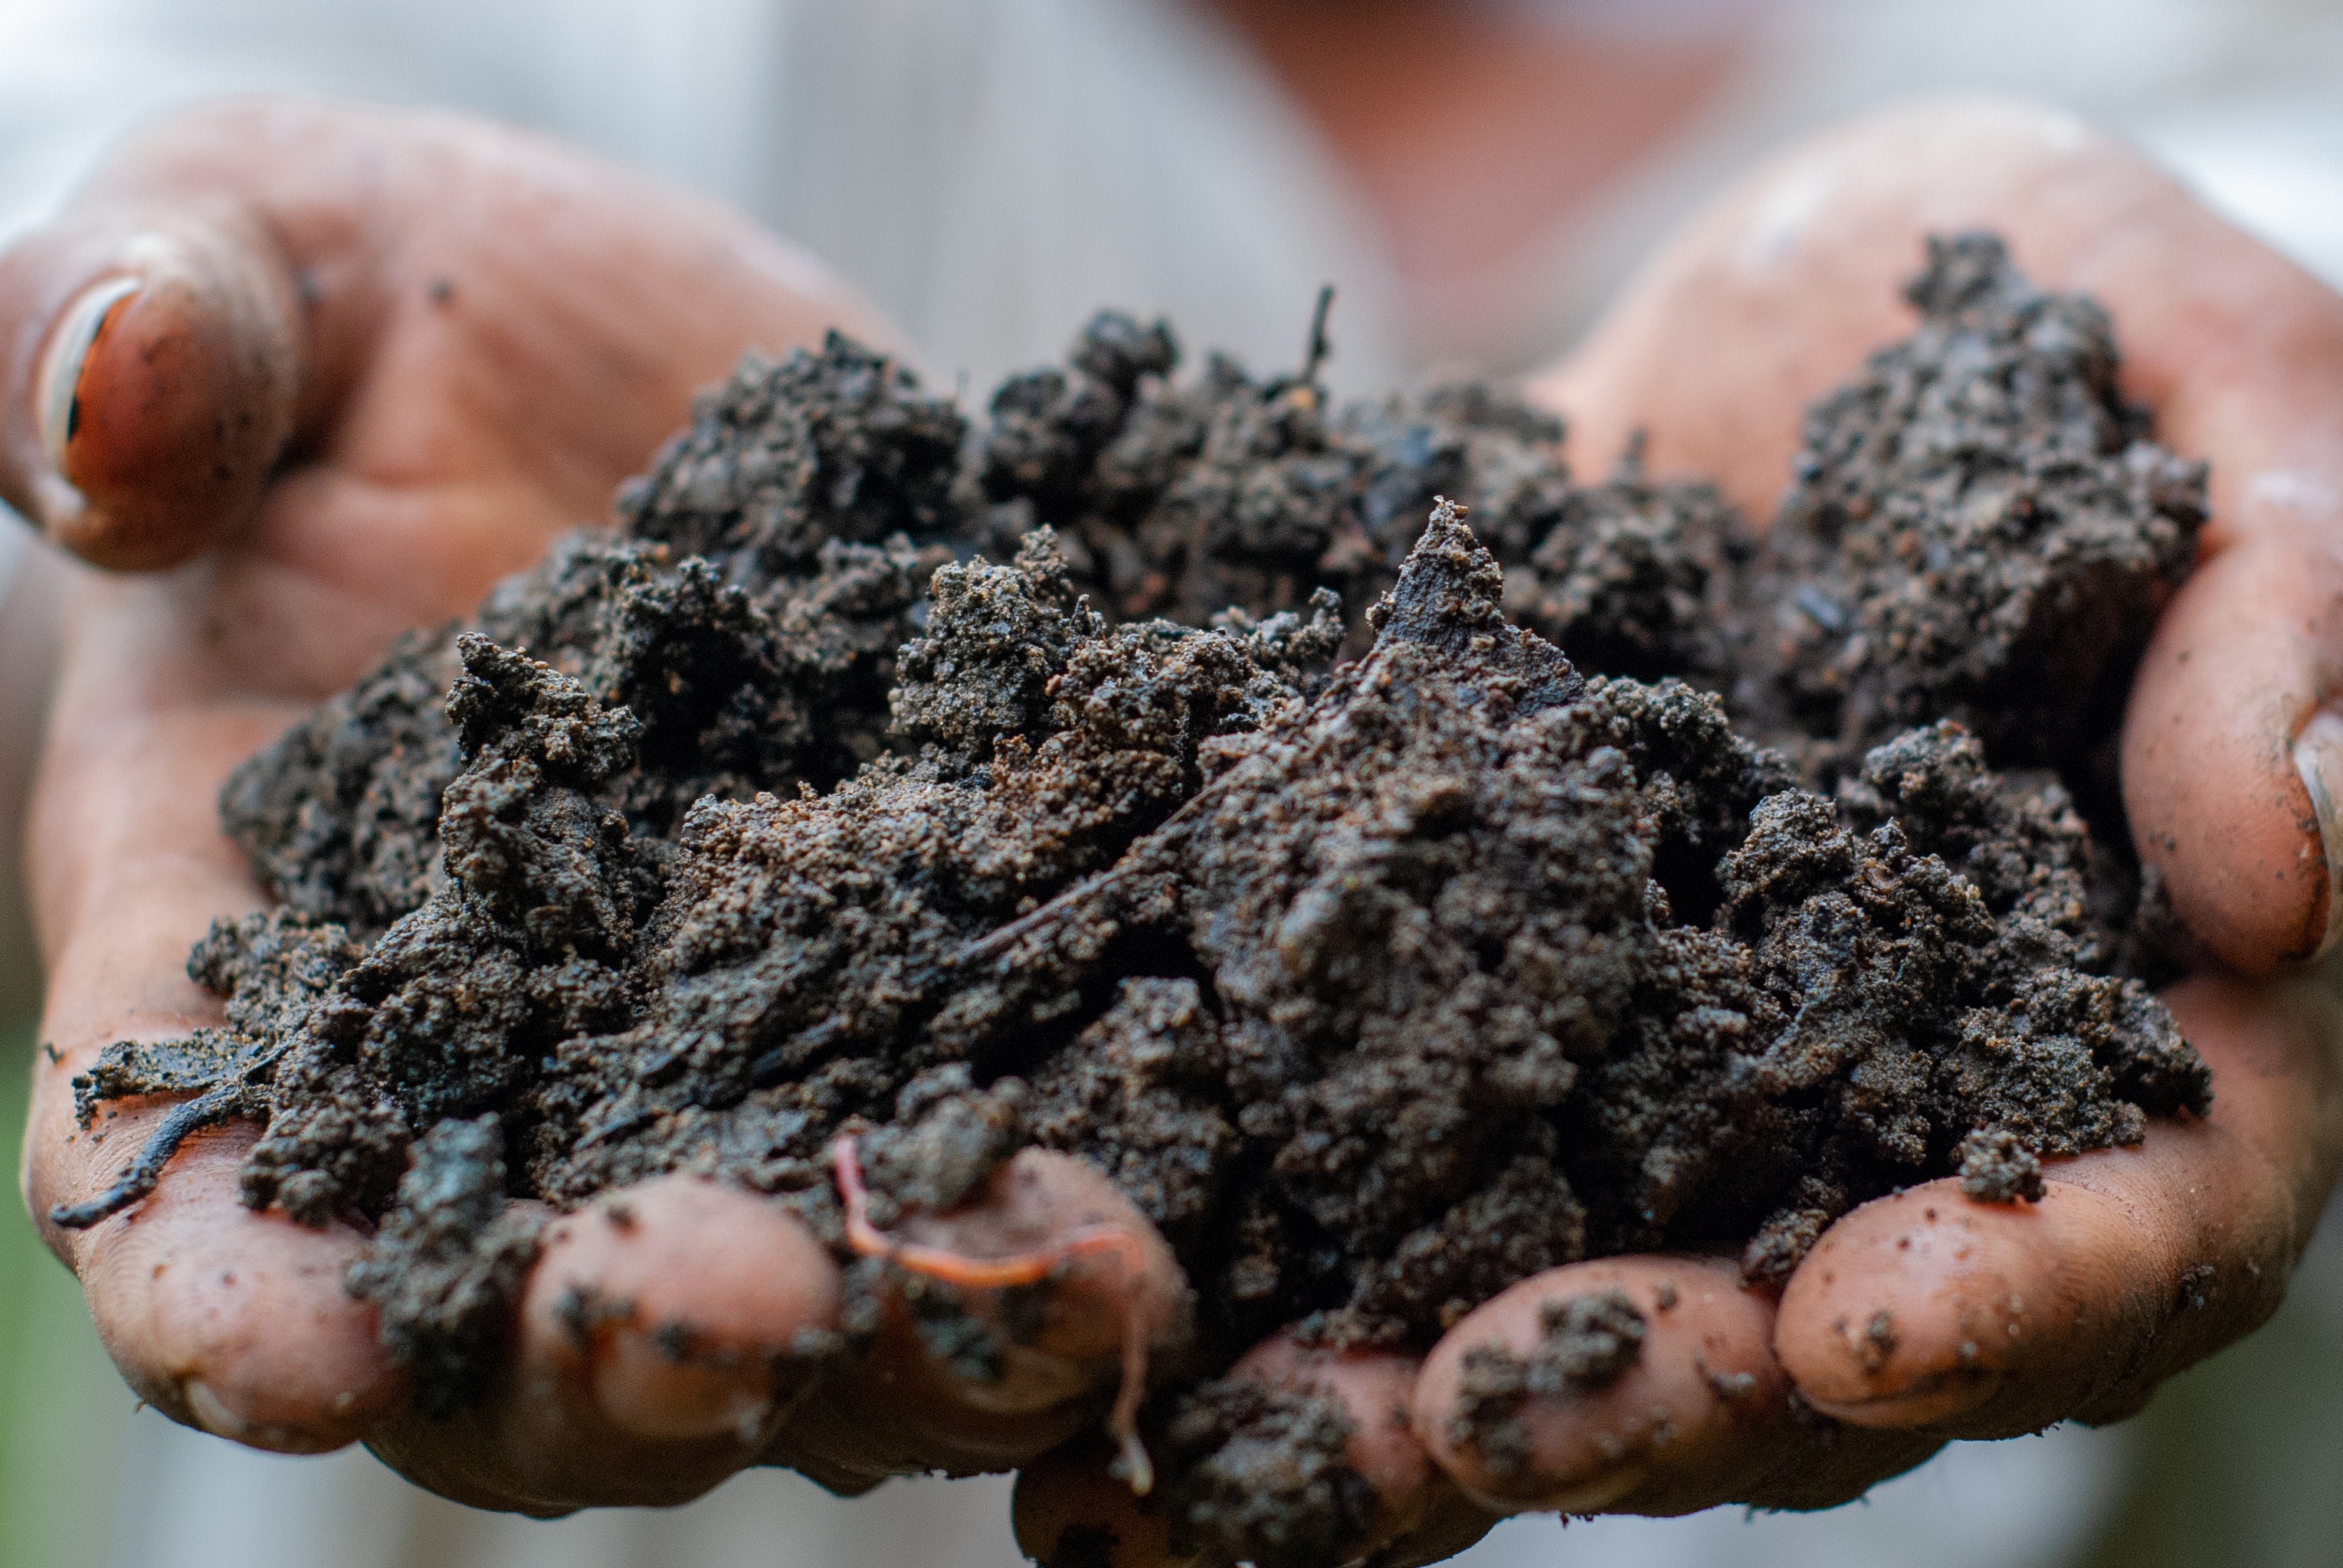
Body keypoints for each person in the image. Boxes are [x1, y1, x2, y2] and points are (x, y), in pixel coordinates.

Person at [8, 4, 2343, 1565]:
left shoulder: (2107, 53)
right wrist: (150, 520)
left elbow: (2286, 179)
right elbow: (85, 136)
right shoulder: (587, 44)